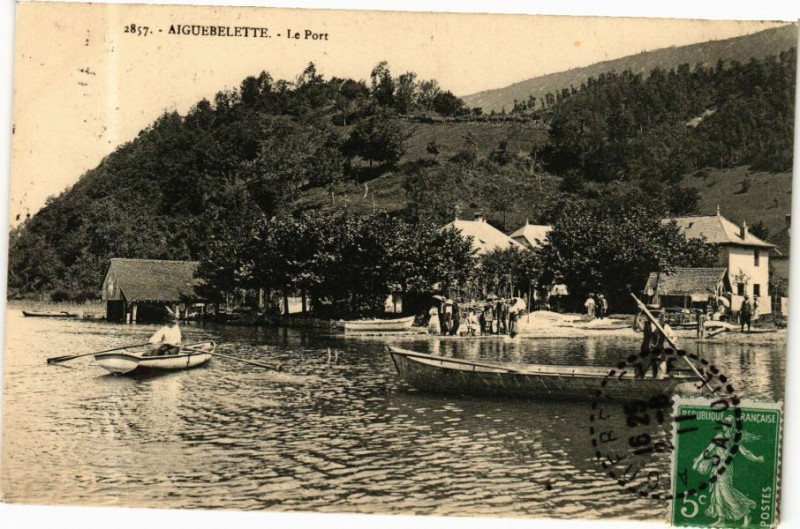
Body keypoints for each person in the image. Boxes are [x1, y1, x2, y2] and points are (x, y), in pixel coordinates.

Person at [692, 416, 763, 527]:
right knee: (717, 492)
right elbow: (708, 450)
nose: (724, 425)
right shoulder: (720, 436)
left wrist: (756, 459)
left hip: (725, 467)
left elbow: (745, 452)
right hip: (716, 467)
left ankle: (746, 513)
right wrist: (697, 462)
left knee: (726, 492)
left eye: (726, 423)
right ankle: (721, 520)